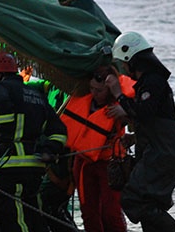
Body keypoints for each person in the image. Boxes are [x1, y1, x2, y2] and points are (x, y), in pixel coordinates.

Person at [104, 31, 175, 232]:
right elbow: (156, 120)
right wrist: (134, 137)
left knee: (134, 200)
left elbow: (144, 112)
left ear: (132, 59)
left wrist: (119, 95)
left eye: (124, 64)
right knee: (150, 205)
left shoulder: (153, 82)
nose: (124, 69)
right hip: (162, 150)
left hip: (164, 153)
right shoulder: (148, 83)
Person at [0, 51, 67, 232]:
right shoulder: (37, 95)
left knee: (13, 218)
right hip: (35, 166)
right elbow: (59, 131)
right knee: (33, 213)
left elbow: (0, 123)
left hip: (9, 165)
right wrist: (49, 149)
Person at [60, 65, 135, 232]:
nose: (94, 93)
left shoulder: (119, 109)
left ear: (109, 91)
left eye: (99, 90)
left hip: (111, 165)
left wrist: (127, 125)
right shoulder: (82, 99)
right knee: (88, 212)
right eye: (92, 88)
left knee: (111, 212)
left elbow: (142, 126)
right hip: (83, 163)